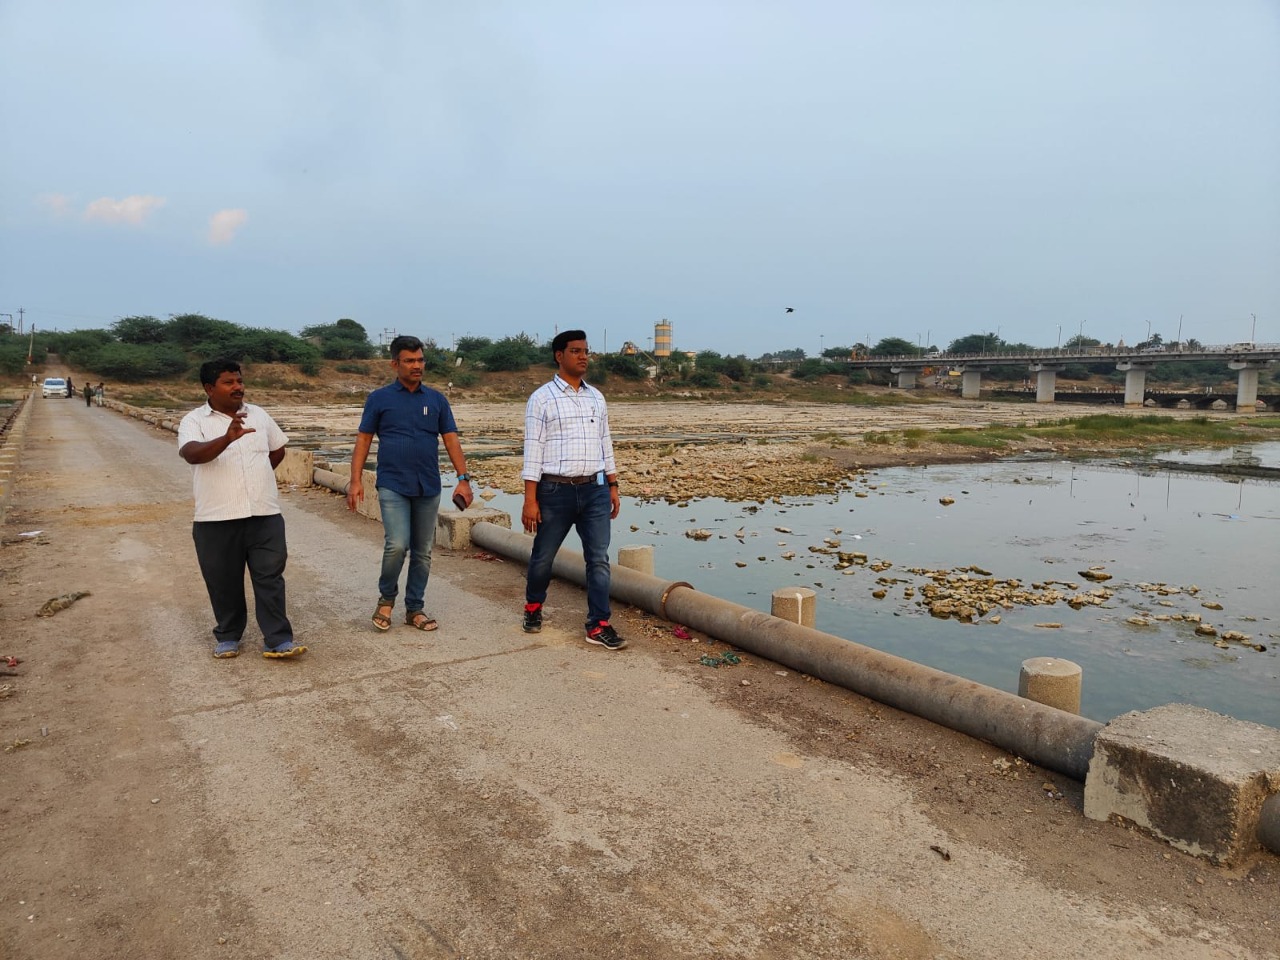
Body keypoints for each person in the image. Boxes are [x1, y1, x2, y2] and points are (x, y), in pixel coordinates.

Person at [178, 359, 305, 660]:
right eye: (229, 382)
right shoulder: (194, 420)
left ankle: (277, 639)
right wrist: (226, 439)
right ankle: (228, 635)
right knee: (223, 580)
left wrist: (258, 478)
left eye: (239, 380)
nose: (238, 387)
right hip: (216, 518)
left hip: (264, 514)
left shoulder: (258, 415)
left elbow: (277, 449)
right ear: (209, 388)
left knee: (270, 577)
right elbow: (191, 454)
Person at [347, 335, 472, 632]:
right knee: (397, 544)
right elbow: (364, 438)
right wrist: (355, 480)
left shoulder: (437, 400)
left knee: (423, 550)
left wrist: (463, 479)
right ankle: (386, 600)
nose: (417, 366)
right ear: (395, 364)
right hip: (392, 483)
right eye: (410, 361)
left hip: (428, 484)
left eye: (420, 360)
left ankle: (414, 608)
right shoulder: (379, 399)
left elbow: (451, 439)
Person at [520, 330, 624, 650]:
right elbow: (533, 450)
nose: (583, 357)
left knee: (598, 559)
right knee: (543, 557)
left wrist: (613, 484)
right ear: (559, 355)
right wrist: (530, 500)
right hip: (555, 492)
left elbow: (605, 441)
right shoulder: (542, 398)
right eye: (576, 351)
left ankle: (598, 623)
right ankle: (533, 607)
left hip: (593, 490)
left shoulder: (596, 397)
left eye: (586, 351)